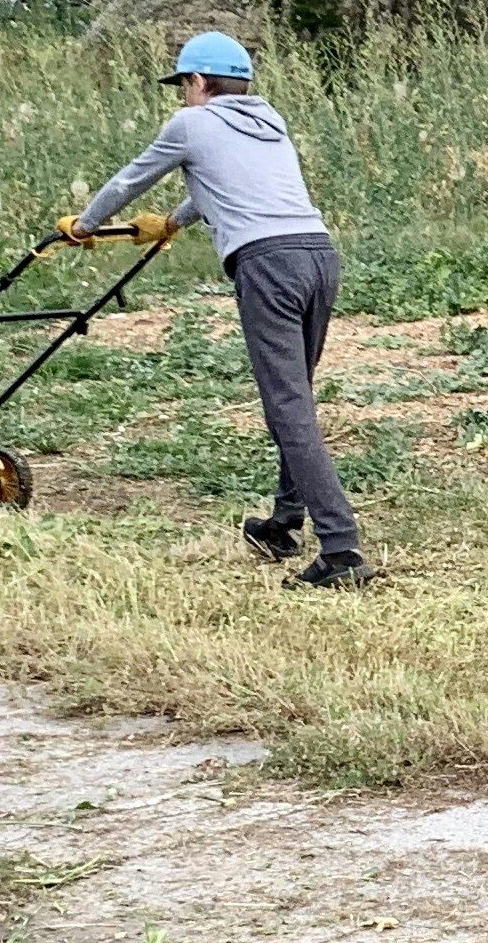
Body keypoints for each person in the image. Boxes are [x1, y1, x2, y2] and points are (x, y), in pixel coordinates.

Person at [70, 31, 367, 587]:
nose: (182, 96)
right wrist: (174, 223)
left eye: (184, 85)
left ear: (198, 81)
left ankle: (342, 551)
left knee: (288, 409)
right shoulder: (269, 119)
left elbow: (129, 180)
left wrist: (85, 224)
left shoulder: (191, 124)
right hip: (319, 256)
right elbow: (219, 183)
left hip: (269, 265)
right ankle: (283, 522)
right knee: (295, 395)